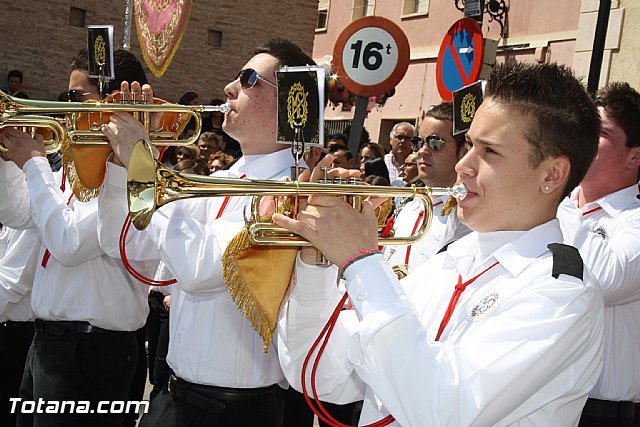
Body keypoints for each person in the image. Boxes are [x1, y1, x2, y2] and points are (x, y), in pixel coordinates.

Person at [274, 62, 605, 426]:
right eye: (469, 146)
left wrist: (362, 262)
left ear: (552, 175)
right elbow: (324, 377)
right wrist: (317, 260)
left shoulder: (561, 295)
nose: (464, 164)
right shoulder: (447, 264)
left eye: (490, 152)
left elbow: (441, 410)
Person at [98, 38, 319, 427]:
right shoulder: (221, 179)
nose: (229, 89)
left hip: (235, 411)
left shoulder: (290, 189)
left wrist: (143, 160)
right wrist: (121, 165)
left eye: (248, 78)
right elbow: (125, 245)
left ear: (290, 101)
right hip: (175, 394)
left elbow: (199, 269)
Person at [0, 48, 151, 427]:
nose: (65, 107)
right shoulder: (76, 162)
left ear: (113, 101)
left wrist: (34, 164)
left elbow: (66, 242)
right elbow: (17, 214)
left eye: (75, 97)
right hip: (48, 342)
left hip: (93, 349)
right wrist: (8, 158)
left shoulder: (131, 171)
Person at [556, 82, 640, 427]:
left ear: (635, 156)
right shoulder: (559, 207)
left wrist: (558, 203)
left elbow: (606, 281)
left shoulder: (632, 219)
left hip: (600, 410)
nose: (584, 138)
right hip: (541, 396)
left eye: (599, 131)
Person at [384, 101, 471, 275]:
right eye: (418, 142)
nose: (422, 151)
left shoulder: (464, 215)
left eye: (435, 143)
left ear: (463, 151)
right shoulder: (410, 205)